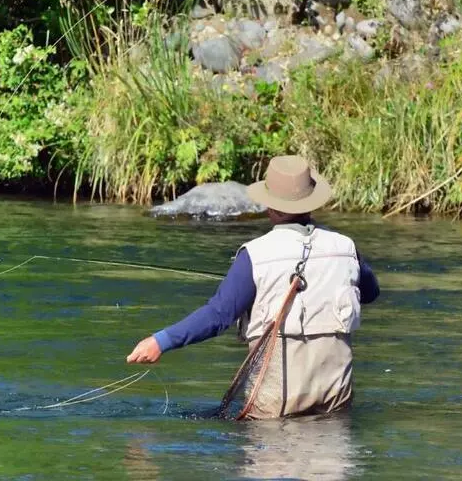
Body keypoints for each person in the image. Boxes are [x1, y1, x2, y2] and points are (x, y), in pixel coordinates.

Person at [126, 155, 380, 419]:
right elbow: (371, 292)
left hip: (275, 406)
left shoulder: (254, 255)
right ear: (311, 201)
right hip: (334, 401)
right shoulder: (346, 248)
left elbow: (218, 316)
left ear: (270, 204)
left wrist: (161, 341)